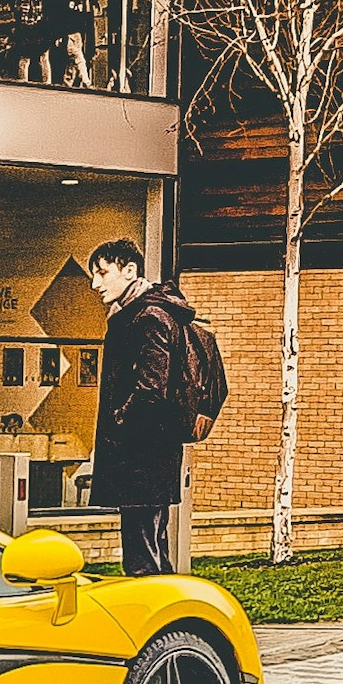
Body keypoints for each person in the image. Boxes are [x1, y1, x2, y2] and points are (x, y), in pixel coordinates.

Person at [87, 236, 195, 576]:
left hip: (142, 453)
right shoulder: (141, 314)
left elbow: (151, 387)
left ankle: (157, 607)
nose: (95, 284)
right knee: (150, 542)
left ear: (130, 270)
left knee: (143, 554)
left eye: (103, 273)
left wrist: (121, 421)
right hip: (148, 453)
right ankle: (165, 603)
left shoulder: (148, 317)